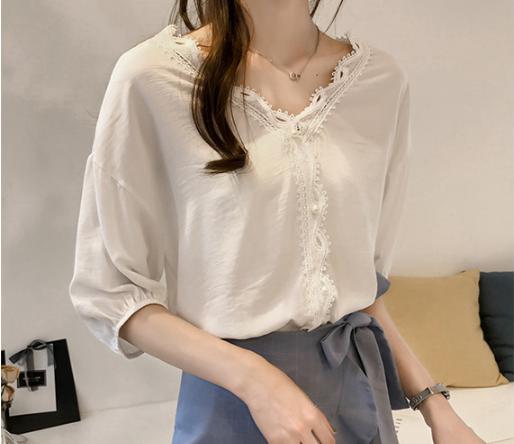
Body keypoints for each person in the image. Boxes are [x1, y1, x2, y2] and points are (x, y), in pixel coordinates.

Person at [68, 1, 486, 443]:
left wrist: (437, 409)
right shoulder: (152, 77)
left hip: (353, 400)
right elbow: (112, 295)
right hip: (230, 405)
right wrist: (256, 380)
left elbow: (363, 290)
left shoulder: (380, 81)